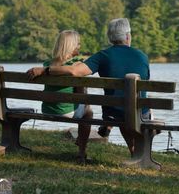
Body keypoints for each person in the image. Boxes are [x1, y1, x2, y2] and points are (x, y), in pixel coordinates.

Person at [27, 18, 150, 155]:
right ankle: (136, 151)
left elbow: (74, 71)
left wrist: (45, 70)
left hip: (113, 114)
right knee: (137, 108)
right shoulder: (143, 56)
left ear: (110, 38)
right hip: (141, 113)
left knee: (119, 112)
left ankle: (127, 145)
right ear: (128, 36)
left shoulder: (102, 56)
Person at [41, 30, 93, 164]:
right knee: (88, 113)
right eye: (78, 44)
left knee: (84, 107)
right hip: (66, 112)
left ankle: (80, 140)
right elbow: (81, 95)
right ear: (71, 46)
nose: (80, 47)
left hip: (47, 110)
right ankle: (82, 152)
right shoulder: (76, 65)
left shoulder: (47, 64)